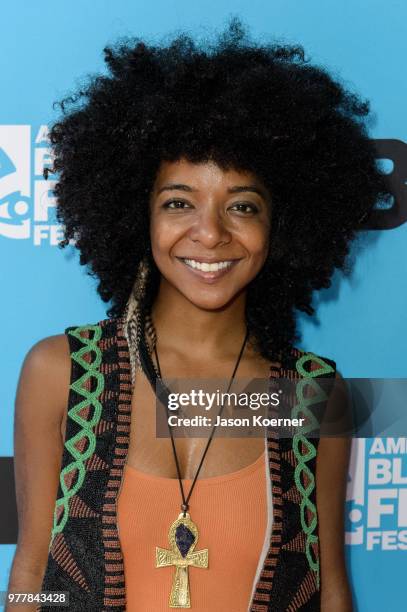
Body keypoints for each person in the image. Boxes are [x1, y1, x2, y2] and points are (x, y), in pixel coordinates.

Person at [7, 18, 388, 612]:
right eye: (179, 202)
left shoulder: (312, 393)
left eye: (242, 205)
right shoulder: (61, 372)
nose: (209, 233)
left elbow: (328, 590)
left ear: (280, 226)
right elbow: (33, 573)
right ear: (138, 214)